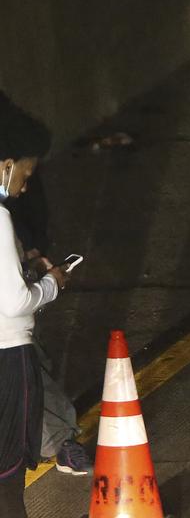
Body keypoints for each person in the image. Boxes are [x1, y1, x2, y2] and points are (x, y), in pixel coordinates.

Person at [0, 100, 69, 517]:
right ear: (6, 164)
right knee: (8, 480)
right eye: (25, 173)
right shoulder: (0, 218)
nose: (24, 186)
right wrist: (50, 285)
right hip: (7, 359)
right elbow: (14, 302)